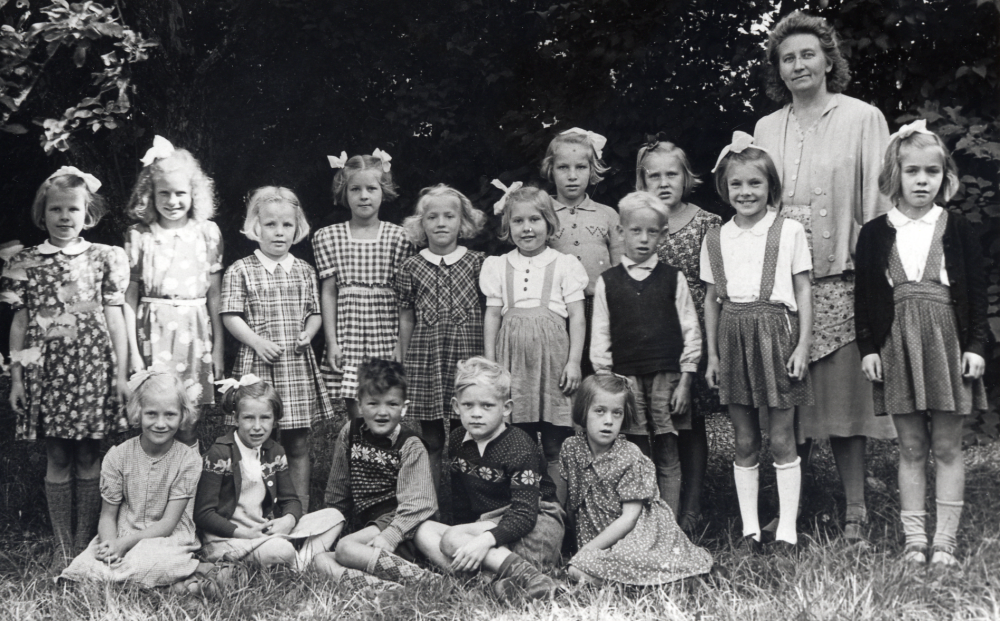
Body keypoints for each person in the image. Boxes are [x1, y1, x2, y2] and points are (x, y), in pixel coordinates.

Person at [753, 10, 895, 541]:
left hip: (842, 277)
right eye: (787, 58)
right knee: (789, 399)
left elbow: (879, 203)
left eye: (808, 53)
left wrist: (876, 278)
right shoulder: (767, 127)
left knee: (843, 403)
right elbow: (754, 202)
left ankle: (855, 510)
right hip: (781, 284)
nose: (798, 65)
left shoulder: (863, 117)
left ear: (829, 58)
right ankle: (789, 510)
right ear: (778, 69)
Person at [855, 121, 988, 568]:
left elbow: (976, 292)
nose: (921, 181)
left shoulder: (957, 228)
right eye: (912, 172)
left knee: (947, 445)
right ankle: (915, 540)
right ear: (895, 175)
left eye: (931, 172)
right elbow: (866, 297)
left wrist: (975, 345)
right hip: (897, 343)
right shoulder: (875, 233)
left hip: (947, 339)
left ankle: (944, 542)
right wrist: (869, 348)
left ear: (944, 177)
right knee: (911, 445)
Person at [2, 167, 130, 565]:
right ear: (43, 212)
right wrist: (17, 378)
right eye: (55, 209)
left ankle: (83, 540)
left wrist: (122, 374)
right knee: (57, 455)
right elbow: (21, 321)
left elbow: (115, 319)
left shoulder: (104, 258)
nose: (63, 217)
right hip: (48, 372)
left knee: (90, 455)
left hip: (92, 370)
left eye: (72, 209)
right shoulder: (26, 260)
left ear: (86, 212)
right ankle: (62, 545)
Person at [701, 132, 813, 549]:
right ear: (724, 189)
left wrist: (802, 345)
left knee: (782, 437)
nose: (745, 192)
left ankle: (787, 529)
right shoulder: (716, 237)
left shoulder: (789, 231)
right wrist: (712, 355)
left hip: (775, 334)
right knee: (745, 439)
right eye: (736, 184)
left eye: (755, 183)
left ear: (771, 188)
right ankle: (750, 528)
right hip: (732, 333)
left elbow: (803, 290)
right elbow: (712, 299)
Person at [221, 187, 334, 512]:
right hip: (258, 367)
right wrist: (255, 340)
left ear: (296, 228)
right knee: (258, 440)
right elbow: (230, 314)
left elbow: (314, 311)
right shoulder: (241, 270)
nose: (279, 232)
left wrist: (309, 332)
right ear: (256, 227)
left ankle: (297, 508)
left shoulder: (304, 270)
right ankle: (256, 506)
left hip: (295, 367)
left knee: (297, 441)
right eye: (271, 225)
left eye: (286, 225)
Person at [414, 357, 564, 602]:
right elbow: (461, 501)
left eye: (487, 406)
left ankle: (528, 577)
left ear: (506, 408)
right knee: (424, 531)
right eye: (468, 405)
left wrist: (482, 540)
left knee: (452, 539)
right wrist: (467, 537)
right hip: (489, 524)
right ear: (455, 406)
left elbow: (525, 513)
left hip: (536, 521)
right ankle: (490, 581)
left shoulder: (519, 446)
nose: (476, 414)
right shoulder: (458, 439)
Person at [59, 371, 223, 595]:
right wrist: (110, 546)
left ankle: (174, 578)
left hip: (167, 538)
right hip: (123, 532)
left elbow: (167, 523)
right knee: (82, 570)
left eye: (170, 415)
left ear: (183, 415)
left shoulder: (188, 460)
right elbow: (108, 516)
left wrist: (126, 545)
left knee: (146, 561)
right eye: (152, 414)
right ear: (138, 412)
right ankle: (174, 587)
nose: (160, 423)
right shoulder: (118, 456)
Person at [590, 191, 702, 515]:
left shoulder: (672, 279)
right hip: (625, 378)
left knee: (668, 449)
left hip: (667, 375)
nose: (643, 239)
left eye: (651, 232)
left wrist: (685, 379)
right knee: (636, 451)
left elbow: (690, 329)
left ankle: (670, 526)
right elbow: (600, 335)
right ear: (621, 232)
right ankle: (642, 522)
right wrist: (607, 381)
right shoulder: (608, 282)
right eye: (635, 231)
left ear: (663, 234)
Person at [480, 184, 589, 502]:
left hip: (553, 362)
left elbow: (577, 317)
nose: (527, 228)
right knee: (518, 442)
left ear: (549, 223)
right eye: (518, 221)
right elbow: (492, 316)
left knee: (556, 442)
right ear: (507, 226)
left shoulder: (564, 264)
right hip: (512, 362)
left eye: (535, 220)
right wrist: (491, 365)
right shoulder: (498, 266)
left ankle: (559, 513)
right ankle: (523, 509)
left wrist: (573, 362)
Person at [639, 137, 722, 533]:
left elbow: (715, 286)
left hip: (693, 332)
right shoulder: (640, 223)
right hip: (650, 333)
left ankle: (691, 507)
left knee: (691, 422)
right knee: (655, 420)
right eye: (653, 175)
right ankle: (653, 505)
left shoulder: (707, 223)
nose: (663, 182)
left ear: (687, 177)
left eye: (671, 173)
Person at [559, 374, 713, 585]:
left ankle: (653, 582)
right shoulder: (572, 448)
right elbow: (574, 503)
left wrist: (587, 550)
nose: (608, 421)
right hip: (599, 538)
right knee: (578, 569)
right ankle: (634, 581)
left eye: (617, 413)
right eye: (600, 411)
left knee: (605, 562)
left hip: (638, 535)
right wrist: (580, 548)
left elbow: (630, 519)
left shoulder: (629, 455)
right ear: (583, 411)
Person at [123, 135, 224, 447]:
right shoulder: (139, 236)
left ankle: (187, 489)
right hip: (151, 333)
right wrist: (132, 352)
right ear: (149, 194)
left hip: (193, 335)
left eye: (180, 193)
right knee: (153, 416)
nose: (172, 201)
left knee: (187, 419)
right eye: (163, 193)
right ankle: (149, 484)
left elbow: (215, 296)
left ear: (194, 193)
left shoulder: (207, 233)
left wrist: (219, 346)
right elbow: (128, 296)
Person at [195, 376, 344, 570]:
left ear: (274, 420)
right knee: (281, 549)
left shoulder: (274, 452)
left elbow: (291, 500)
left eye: (265, 418)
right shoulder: (220, 454)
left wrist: (287, 520)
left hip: (265, 532)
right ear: (236, 418)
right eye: (249, 418)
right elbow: (203, 513)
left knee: (334, 516)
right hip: (227, 538)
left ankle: (299, 563)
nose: (257, 426)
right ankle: (294, 559)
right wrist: (243, 533)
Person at [317, 359, 438, 589]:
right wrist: (327, 527)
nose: (382, 412)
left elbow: (420, 503)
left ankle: (428, 582)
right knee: (320, 560)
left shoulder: (410, 445)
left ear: (404, 407)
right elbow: (338, 491)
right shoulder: (350, 433)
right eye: (373, 403)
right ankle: (385, 589)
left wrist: (391, 535)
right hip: (371, 528)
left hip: (403, 526)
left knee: (345, 548)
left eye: (392, 404)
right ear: (360, 405)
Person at [397, 184, 487, 493]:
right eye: (432, 216)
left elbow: (491, 312)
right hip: (427, 359)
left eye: (449, 216)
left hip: (468, 360)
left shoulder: (478, 262)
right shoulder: (411, 266)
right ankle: (430, 511)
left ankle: (468, 508)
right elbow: (406, 317)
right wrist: (402, 359)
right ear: (421, 224)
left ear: (463, 222)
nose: (441, 223)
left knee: (468, 435)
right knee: (431, 439)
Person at [314, 150, 414, 420]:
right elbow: (329, 292)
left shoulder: (399, 237)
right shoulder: (328, 237)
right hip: (350, 333)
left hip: (387, 332)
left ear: (384, 191)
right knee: (357, 411)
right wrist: (332, 342)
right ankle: (357, 456)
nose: (364, 196)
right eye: (355, 189)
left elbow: (406, 297)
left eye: (372, 188)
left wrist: (400, 345)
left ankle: (388, 458)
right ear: (344, 193)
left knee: (387, 404)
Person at [541, 128, 623, 374]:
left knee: (599, 370)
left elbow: (620, 268)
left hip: (599, 305)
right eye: (563, 167)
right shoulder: (542, 213)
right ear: (550, 170)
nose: (572, 176)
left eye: (581, 167)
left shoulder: (607, 214)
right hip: (556, 308)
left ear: (593, 170)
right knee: (562, 369)